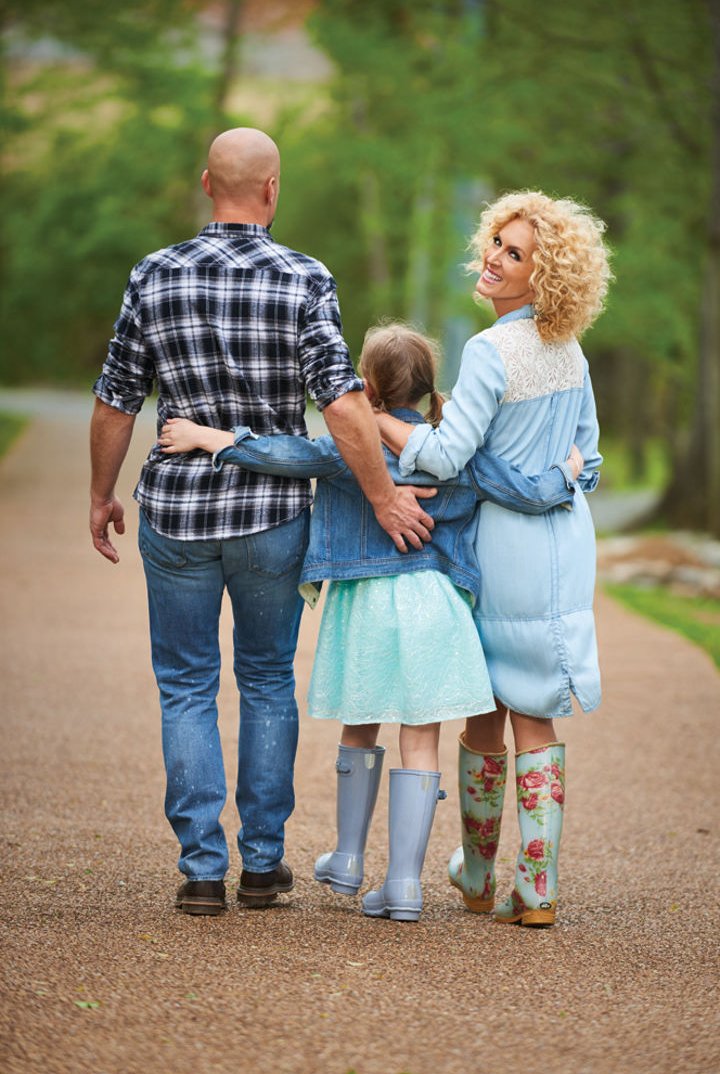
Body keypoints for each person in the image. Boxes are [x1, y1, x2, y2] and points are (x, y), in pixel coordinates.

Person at [89, 128, 438, 917]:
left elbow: (117, 396)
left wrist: (99, 492)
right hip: (270, 522)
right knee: (266, 679)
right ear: (273, 190)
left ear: (206, 184)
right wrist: (383, 494)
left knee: (185, 684)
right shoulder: (304, 278)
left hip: (175, 514)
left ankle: (201, 868)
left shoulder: (154, 275)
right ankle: (263, 864)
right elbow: (345, 404)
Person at [159, 321, 584, 922]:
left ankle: (349, 859)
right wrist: (566, 474)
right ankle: (405, 885)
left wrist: (211, 436)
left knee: (360, 724)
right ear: (430, 388)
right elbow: (517, 489)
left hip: (365, 605)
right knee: (420, 733)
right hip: (435, 604)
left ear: (366, 385)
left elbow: (285, 456)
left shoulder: (348, 448)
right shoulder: (453, 452)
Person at [375, 191, 612, 927]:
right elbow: (591, 458)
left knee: (485, 709)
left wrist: (378, 420)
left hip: (501, 544)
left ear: (545, 278)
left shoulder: (488, 351)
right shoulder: (569, 353)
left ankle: (478, 874)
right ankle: (534, 890)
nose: (494, 260)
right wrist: (564, 477)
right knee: (535, 712)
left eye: (515, 254)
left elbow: (445, 457)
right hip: (566, 545)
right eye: (497, 244)